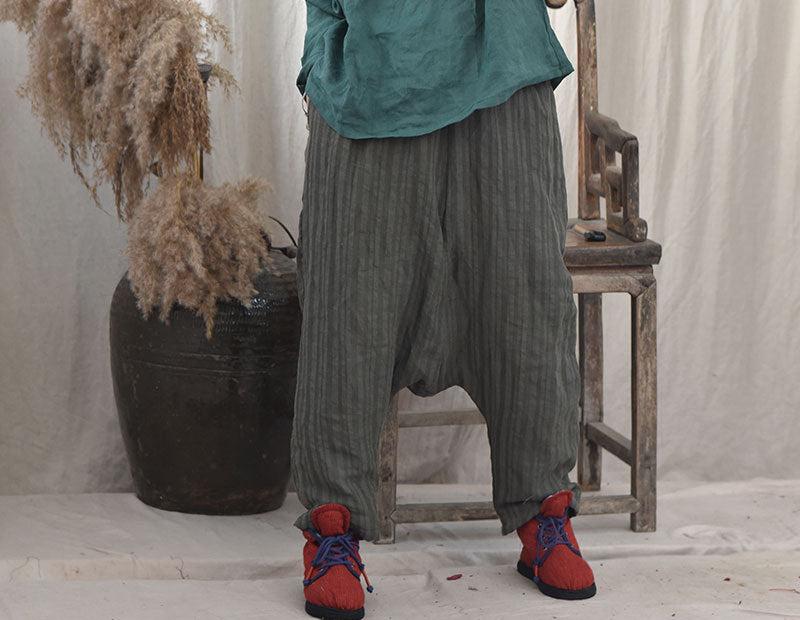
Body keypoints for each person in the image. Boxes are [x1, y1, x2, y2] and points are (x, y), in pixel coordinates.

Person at [291, 2, 596, 618]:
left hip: (504, 63)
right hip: (372, 67)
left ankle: (544, 511)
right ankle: (332, 527)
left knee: (524, 294)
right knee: (349, 306)